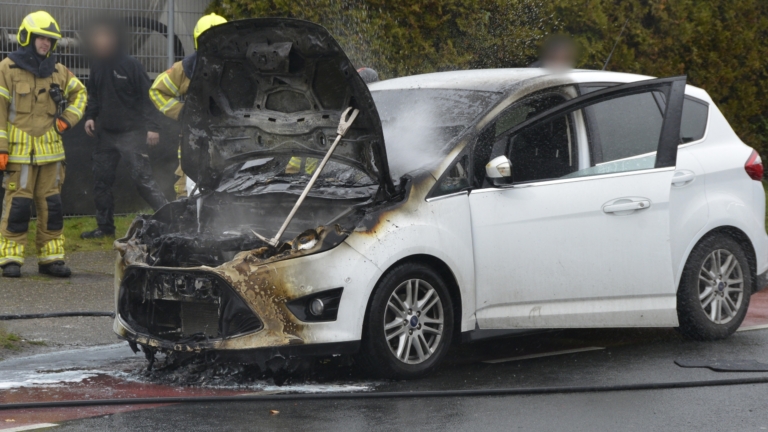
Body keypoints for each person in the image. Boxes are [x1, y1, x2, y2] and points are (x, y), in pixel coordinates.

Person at [0, 11, 87, 278]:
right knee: (18, 207)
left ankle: (52, 259)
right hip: (18, 154)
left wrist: (66, 121)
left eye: (50, 40)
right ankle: (10, 259)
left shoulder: (58, 71)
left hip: (51, 154)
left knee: (52, 207)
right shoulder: (7, 68)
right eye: (40, 38)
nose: (45, 44)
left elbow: (81, 94)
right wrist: (1, 147)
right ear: (27, 37)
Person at [79, 19, 167, 239]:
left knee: (144, 182)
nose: (102, 42)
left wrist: (152, 128)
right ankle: (105, 228)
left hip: (133, 135)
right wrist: (90, 117)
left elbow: (148, 99)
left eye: (106, 37)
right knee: (101, 182)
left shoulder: (131, 65)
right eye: (98, 38)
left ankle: (171, 220)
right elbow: (95, 96)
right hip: (106, 136)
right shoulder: (97, 66)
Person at [149, 13, 227, 199]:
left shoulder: (240, 68)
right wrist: (182, 112)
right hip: (194, 142)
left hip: (227, 142)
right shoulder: (186, 68)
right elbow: (156, 91)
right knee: (188, 193)